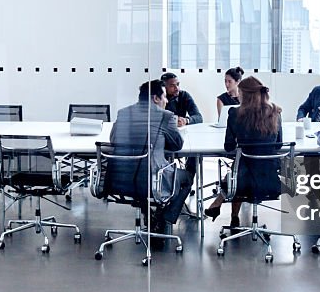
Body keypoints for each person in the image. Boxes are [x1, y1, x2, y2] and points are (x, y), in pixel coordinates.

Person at [108, 80, 192, 233]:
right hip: (152, 179)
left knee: (142, 178)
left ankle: (149, 213)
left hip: (122, 179)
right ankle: (165, 216)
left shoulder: (123, 113)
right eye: (165, 97)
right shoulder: (166, 116)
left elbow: (113, 140)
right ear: (155, 98)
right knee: (187, 178)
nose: (167, 101)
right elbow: (177, 145)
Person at [203, 76, 283, 229]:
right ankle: (225, 209)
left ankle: (228, 211)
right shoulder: (275, 112)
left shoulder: (235, 113)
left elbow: (228, 146)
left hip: (243, 179)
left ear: (245, 95)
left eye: (239, 92)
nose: (237, 95)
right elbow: (278, 145)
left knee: (238, 169)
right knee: (241, 168)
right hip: (271, 179)